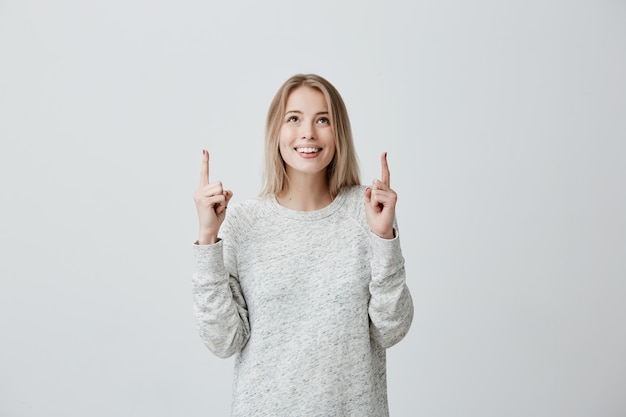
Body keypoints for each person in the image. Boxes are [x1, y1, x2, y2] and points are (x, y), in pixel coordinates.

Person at [192, 74, 413, 416]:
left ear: (338, 132)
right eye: (293, 119)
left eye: (322, 120)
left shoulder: (368, 211)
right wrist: (208, 240)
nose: (308, 132)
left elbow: (391, 329)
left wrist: (384, 240)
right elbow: (224, 341)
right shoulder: (242, 222)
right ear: (275, 132)